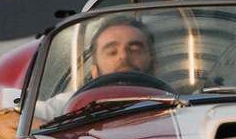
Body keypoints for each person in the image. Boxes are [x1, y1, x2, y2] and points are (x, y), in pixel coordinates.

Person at [31, 16, 164, 123]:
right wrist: (59, 135)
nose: (123, 56)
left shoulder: (181, 101)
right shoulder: (69, 104)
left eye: (134, 49)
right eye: (112, 52)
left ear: (155, 65)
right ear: (94, 72)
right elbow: (13, 118)